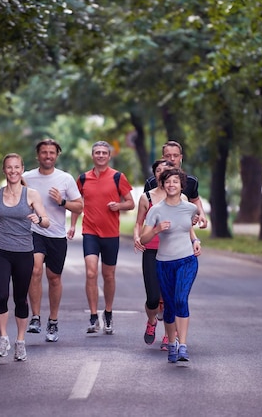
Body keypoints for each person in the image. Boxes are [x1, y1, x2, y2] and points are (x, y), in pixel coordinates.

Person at [0, 153, 50, 362]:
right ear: (4, 170)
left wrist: (38, 220)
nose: (13, 171)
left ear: (22, 169)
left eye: (16, 167)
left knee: (20, 298)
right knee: (1, 295)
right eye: (9, 168)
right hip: (1, 251)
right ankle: (3, 338)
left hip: (23, 253)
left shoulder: (32, 195)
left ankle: (20, 342)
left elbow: (46, 220)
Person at [143, 140, 207, 349]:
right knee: (156, 297)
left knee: (177, 297)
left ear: (181, 157)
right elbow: (143, 218)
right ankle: (155, 323)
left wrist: (198, 229)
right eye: (167, 156)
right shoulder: (152, 188)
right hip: (157, 250)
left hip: (183, 255)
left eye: (175, 156)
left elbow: (192, 207)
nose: (171, 159)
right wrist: (147, 233)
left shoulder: (190, 185)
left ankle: (174, 340)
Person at [70, 141, 135, 335]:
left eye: (104, 153)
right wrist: (73, 225)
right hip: (90, 231)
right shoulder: (82, 179)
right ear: (92, 156)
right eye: (97, 152)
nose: (100, 155)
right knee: (91, 273)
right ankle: (92, 315)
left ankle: (107, 312)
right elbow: (76, 204)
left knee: (108, 275)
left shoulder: (117, 177)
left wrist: (119, 206)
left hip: (111, 234)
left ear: (109, 156)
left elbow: (131, 203)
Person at [22, 139, 83, 342]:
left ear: (57, 155)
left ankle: (53, 320)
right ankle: (36, 317)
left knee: (54, 278)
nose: (48, 156)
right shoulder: (26, 178)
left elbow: (79, 206)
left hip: (56, 234)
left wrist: (62, 202)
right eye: (44, 152)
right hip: (33, 230)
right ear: (37, 155)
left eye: (51, 153)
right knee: (34, 269)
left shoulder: (65, 179)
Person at [133, 159, 178, 347]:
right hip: (151, 250)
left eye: (166, 170)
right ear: (154, 174)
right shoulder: (146, 198)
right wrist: (137, 237)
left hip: (174, 251)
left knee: (170, 297)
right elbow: (138, 223)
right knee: (153, 298)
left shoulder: (179, 197)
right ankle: (151, 321)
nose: (161, 173)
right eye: (158, 170)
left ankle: (170, 335)